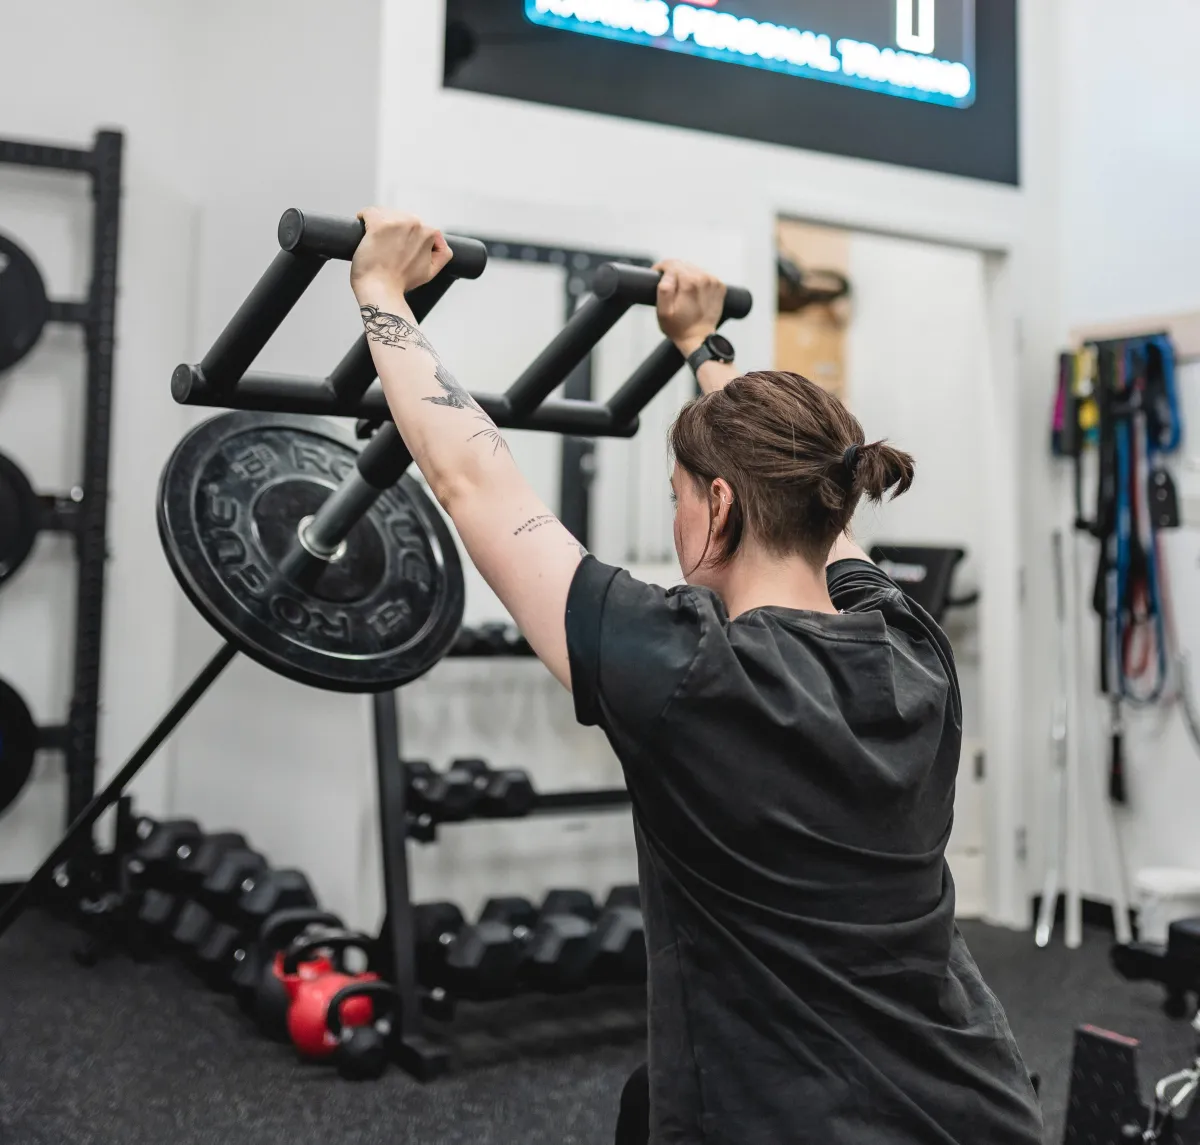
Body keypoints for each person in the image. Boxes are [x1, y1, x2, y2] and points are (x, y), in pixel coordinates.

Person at [350, 209, 1043, 1145]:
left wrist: (382, 293)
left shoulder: (692, 672)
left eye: (680, 498)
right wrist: (702, 345)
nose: (679, 526)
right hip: (977, 1102)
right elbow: (810, 496)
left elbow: (473, 479)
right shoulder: (912, 643)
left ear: (717, 507)